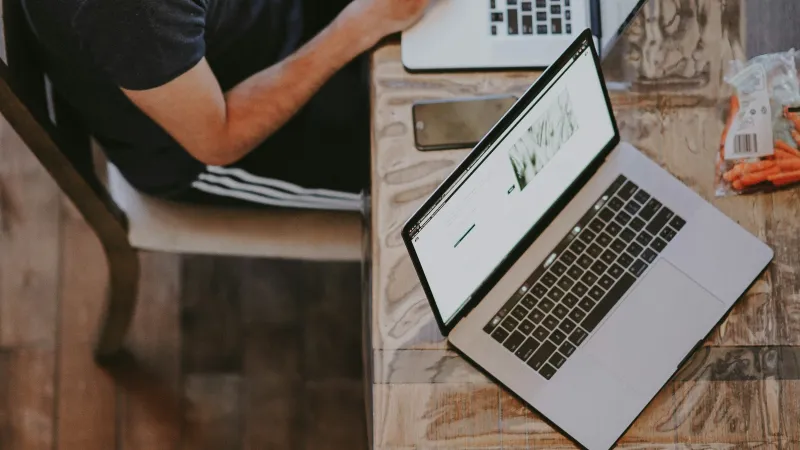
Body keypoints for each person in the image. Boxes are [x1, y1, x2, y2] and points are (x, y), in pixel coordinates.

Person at [20, 0, 429, 210]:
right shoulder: (129, 11)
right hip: (214, 146)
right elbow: (218, 140)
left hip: (259, 28)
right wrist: (363, 25)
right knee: (431, 184)